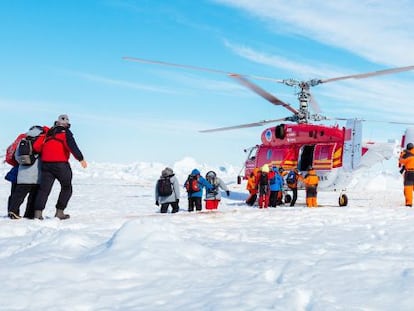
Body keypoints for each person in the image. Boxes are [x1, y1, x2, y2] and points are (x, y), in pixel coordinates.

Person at [33, 114, 87, 220]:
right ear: (67, 123)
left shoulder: (49, 132)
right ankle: (59, 212)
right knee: (67, 187)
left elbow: (37, 147)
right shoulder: (65, 132)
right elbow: (72, 146)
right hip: (60, 164)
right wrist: (80, 158)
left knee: (44, 189)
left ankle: (38, 214)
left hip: (46, 164)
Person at [8, 126, 46, 219]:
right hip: (36, 175)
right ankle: (29, 215)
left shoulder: (23, 140)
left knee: (19, 195)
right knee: (33, 196)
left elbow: (17, 157)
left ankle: (13, 211)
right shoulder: (42, 141)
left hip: (23, 175)